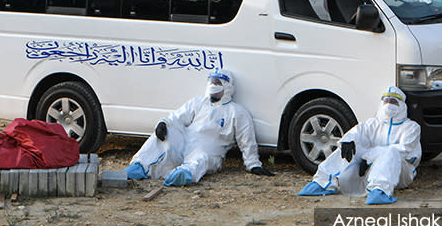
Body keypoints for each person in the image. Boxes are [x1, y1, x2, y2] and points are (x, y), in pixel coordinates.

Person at [124, 69, 275, 186]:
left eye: (218, 83)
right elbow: (177, 117)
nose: (213, 86)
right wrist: (164, 124)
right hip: (185, 142)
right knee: (162, 136)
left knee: (200, 159)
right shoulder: (198, 102)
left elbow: (246, 140)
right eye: (212, 82)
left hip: (209, 150)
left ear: (227, 87)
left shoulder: (237, 112)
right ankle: (140, 166)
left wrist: (253, 164)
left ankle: (184, 174)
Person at [298, 86, 421, 204]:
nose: (389, 104)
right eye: (386, 101)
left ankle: (381, 191)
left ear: (402, 106)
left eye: (393, 101)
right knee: (348, 147)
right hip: (371, 172)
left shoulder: (411, 127)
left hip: (400, 173)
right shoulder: (372, 124)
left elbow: (404, 150)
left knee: (391, 152)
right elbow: (356, 132)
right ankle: (322, 181)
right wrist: (348, 141)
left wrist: (369, 157)